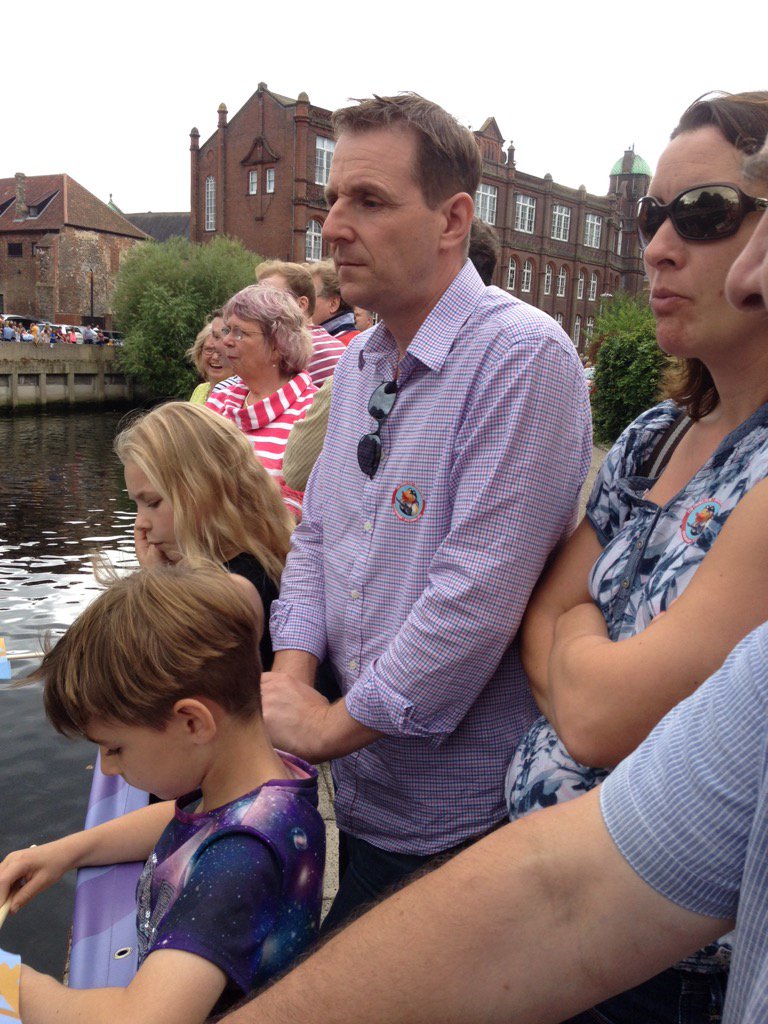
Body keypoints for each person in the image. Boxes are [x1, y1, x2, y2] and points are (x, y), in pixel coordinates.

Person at [262, 92, 591, 929]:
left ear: (452, 220)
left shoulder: (521, 358)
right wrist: (291, 682)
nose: (335, 226)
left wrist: (330, 726)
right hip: (366, 799)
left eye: (368, 201)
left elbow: (472, 599)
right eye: (336, 198)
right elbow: (321, 537)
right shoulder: (366, 361)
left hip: (463, 823)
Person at [504, 91, 768, 1021]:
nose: (656, 246)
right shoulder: (657, 434)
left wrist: (576, 644)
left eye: (704, 217)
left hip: (669, 966)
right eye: (655, 216)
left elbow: (600, 718)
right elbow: (538, 614)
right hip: (560, 922)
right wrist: (582, 656)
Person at [0, 564, 325, 1024]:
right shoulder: (254, 784)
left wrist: (13, 987)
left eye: (115, 747)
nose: (108, 767)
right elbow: (185, 821)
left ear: (192, 722)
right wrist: (64, 853)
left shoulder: (240, 857)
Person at [114, 401, 293, 671]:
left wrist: (157, 583)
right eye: (136, 506)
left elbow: (175, 673)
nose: (140, 524)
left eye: (152, 503)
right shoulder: (265, 559)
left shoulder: (237, 591)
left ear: (202, 492)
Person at [204, 283, 316, 518]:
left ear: (277, 346)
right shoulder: (219, 401)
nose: (225, 342)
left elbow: (306, 511)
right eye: (227, 330)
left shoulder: (311, 411)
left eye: (240, 333)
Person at [256, 260, 346, 386]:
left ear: (301, 304)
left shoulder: (298, 351)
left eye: (271, 297)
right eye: (256, 297)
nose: (256, 305)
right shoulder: (334, 348)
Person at [306, 259, 359, 345]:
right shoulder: (357, 343)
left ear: (333, 304)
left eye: (310, 297)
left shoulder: (334, 347)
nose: (304, 305)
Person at [186, 319, 231, 405]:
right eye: (209, 350)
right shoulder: (200, 390)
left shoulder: (241, 395)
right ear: (200, 353)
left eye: (223, 351)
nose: (215, 357)